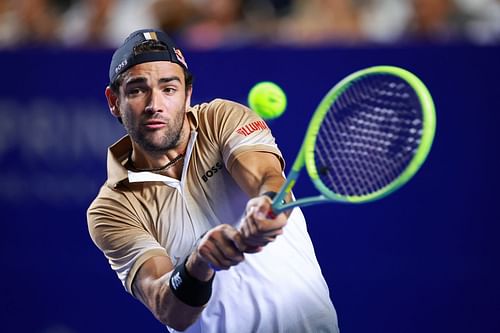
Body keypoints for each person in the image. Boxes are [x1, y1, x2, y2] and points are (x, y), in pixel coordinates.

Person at [87, 28, 339, 333]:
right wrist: (198, 263)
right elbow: (169, 309)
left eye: (169, 89)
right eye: (138, 89)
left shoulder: (222, 119)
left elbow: (267, 178)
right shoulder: (112, 208)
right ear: (114, 100)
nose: (155, 104)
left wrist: (266, 204)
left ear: (187, 94)